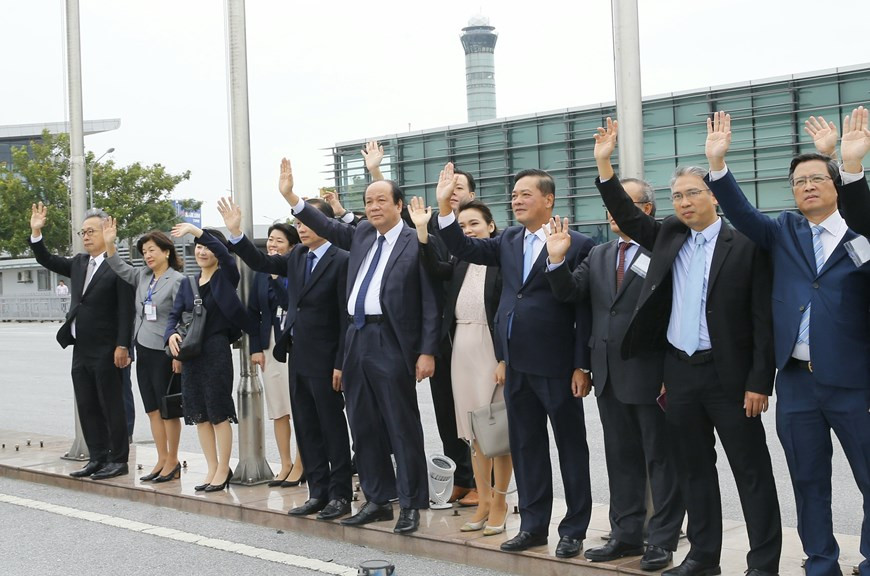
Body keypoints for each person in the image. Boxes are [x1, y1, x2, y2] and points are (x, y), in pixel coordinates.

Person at [596, 117, 781, 576]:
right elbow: (630, 214)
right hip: (680, 373)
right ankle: (702, 557)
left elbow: (762, 320)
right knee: (694, 470)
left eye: (692, 193)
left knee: (750, 472)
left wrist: (760, 380)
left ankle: (763, 564)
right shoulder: (669, 237)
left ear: (714, 196)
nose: (683, 202)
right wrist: (605, 166)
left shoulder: (746, 244)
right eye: (677, 195)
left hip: (731, 376)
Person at [706, 108, 870, 576]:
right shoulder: (783, 231)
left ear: (837, 186)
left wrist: (850, 163)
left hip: (854, 381)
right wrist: (718, 167)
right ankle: (821, 561)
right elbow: (741, 214)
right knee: (808, 479)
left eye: (817, 177)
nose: (808, 186)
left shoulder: (863, 231)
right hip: (797, 383)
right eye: (799, 181)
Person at [435, 162, 594, 559]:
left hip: (558, 365)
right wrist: (444, 210)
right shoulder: (507, 240)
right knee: (526, 447)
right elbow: (465, 247)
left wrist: (581, 364)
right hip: (516, 364)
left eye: (525, 194)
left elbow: (582, 308)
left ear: (548, 200)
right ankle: (534, 526)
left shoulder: (578, 243)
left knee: (571, 448)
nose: (517, 200)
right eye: (514, 194)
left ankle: (573, 528)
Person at [277, 158, 439, 535]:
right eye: (368, 201)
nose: (374, 207)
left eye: (381, 200)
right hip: (356, 337)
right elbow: (326, 225)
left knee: (401, 425)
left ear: (399, 205)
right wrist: (291, 197)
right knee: (362, 424)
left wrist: (427, 349)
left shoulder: (417, 240)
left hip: (392, 340)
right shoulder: (363, 234)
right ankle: (377, 499)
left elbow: (432, 299)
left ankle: (412, 503)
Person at [545, 179, 683, 571]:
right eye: (610, 207)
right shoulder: (602, 254)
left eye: (624, 204)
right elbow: (571, 293)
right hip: (607, 373)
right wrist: (557, 261)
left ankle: (662, 540)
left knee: (660, 460)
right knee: (621, 459)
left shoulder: (663, 249)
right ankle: (625, 535)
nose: (613, 213)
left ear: (647, 209)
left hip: (651, 372)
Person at [220, 196, 354, 521]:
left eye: (307, 222)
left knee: (332, 428)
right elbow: (262, 263)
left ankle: (340, 496)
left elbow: (344, 318)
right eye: (298, 223)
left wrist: (340, 363)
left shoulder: (342, 259)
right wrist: (236, 234)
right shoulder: (296, 257)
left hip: (327, 360)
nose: (301, 228)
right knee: (306, 426)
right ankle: (317, 492)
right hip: (297, 355)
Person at [363, 142, 476, 502]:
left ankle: (483, 482)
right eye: (448, 187)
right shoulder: (430, 226)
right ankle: (460, 475)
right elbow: (396, 216)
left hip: (475, 334)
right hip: (440, 333)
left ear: (472, 195)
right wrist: (378, 173)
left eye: (459, 188)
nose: (452, 193)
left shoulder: (478, 230)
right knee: (445, 409)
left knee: (475, 409)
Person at [409, 196, 512, 535]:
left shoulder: (503, 257)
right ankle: (482, 501)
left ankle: (499, 502)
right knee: (473, 435)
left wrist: (504, 358)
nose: (468, 230)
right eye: (463, 225)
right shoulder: (461, 260)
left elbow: (510, 309)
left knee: (497, 433)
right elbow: (434, 270)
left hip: (490, 348)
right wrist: (423, 233)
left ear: (491, 226)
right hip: (461, 351)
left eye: (475, 224)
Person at [29, 204, 134, 480]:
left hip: (109, 348)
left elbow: (126, 310)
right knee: (87, 404)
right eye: (83, 232)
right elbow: (47, 260)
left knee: (111, 404)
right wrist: (36, 231)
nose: (85, 236)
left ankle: (118, 459)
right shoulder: (79, 262)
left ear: (107, 232)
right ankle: (97, 457)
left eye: (91, 231)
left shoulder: (118, 266)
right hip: (81, 347)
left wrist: (123, 345)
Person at [165, 223, 255, 493]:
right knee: (199, 414)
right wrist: (170, 336)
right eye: (198, 247)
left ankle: (223, 468)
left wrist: (195, 230)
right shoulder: (187, 283)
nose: (202, 251)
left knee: (218, 413)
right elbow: (173, 316)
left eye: (206, 246)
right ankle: (213, 467)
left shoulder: (226, 276)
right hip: (191, 352)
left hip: (216, 350)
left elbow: (226, 256)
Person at [103, 222, 185, 482]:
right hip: (143, 349)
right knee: (152, 409)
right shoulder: (142, 277)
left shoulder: (178, 280)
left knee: (168, 408)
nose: (148, 256)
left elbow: (186, 318)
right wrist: (109, 243)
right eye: (144, 252)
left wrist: (178, 353)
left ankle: (173, 460)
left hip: (165, 351)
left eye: (152, 250)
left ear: (167, 252)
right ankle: (161, 458)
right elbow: (118, 266)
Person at [245, 221, 306, 487]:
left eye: (279, 241)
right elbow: (252, 311)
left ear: (292, 246)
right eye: (270, 240)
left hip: (296, 341)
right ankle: (285, 463)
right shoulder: (260, 272)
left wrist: (275, 278)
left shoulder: (298, 268)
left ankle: (303, 463)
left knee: (299, 408)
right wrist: (256, 348)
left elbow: (288, 302)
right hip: (271, 345)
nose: (272, 245)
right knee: (278, 409)